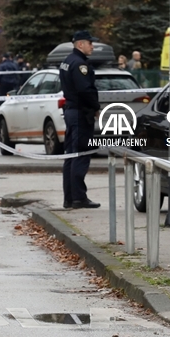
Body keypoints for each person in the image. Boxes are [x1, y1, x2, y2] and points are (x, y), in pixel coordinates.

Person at [59, 31, 101, 209]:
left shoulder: (67, 61)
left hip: (71, 111)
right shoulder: (79, 64)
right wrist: (95, 107)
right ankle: (78, 197)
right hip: (80, 113)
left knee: (71, 155)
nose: (93, 46)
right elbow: (85, 90)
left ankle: (70, 197)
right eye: (90, 43)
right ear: (80, 44)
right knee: (81, 154)